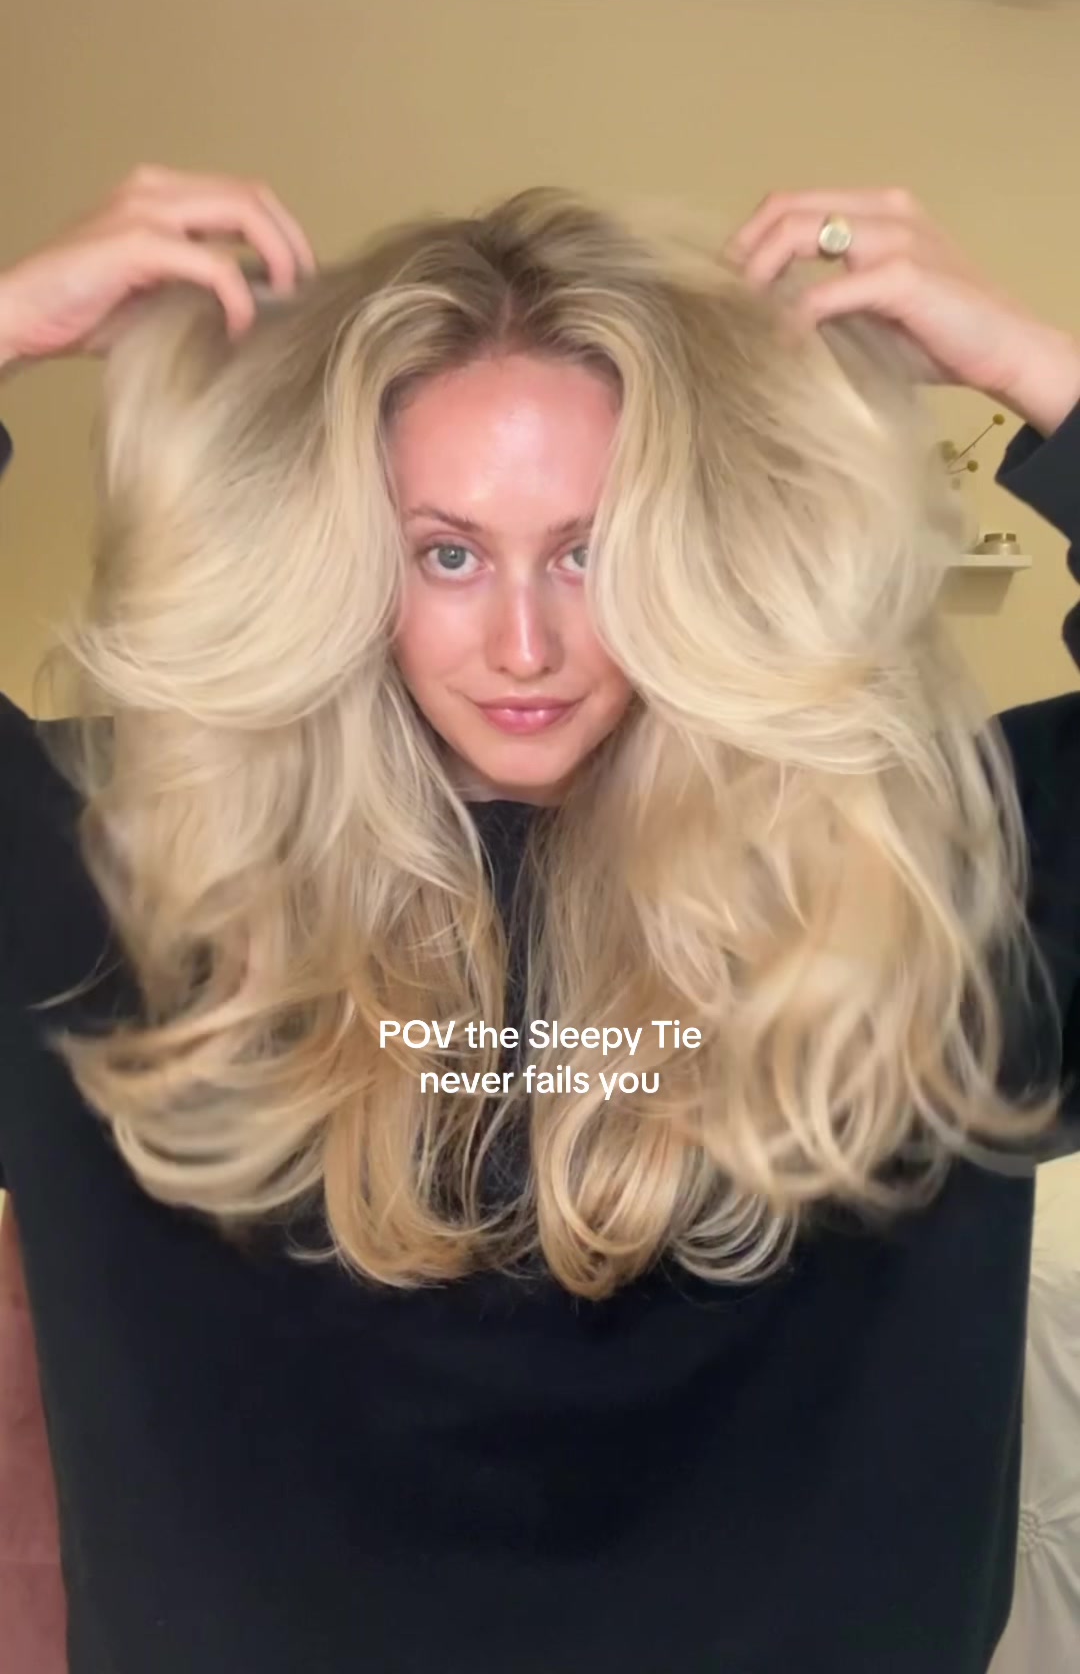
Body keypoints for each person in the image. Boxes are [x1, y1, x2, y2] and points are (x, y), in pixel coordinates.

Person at [0, 165, 1077, 1674]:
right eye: (448, 553)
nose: (526, 643)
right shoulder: (134, 866)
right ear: (347, 555)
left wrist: (1049, 377)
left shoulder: (912, 866)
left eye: (592, 548)